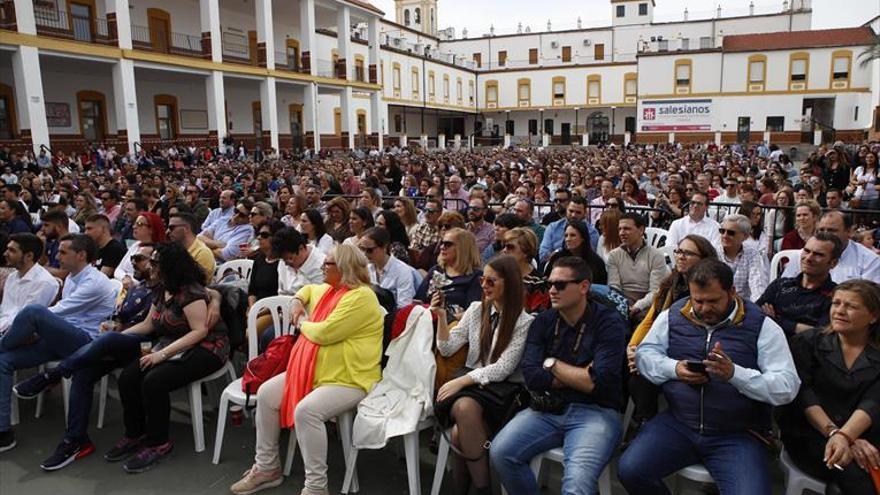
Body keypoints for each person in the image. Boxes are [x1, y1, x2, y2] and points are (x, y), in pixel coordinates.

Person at [620, 259, 801, 495]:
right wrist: (675, 369)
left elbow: (786, 386)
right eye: (698, 301)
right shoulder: (674, 315)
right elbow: (645, 356)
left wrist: (735, 375)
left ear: (732, 292)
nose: (705, 308)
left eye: (713, 301)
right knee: (630, 470)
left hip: (737, 433)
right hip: (679, 423)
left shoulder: (762, 326)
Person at [230, 245, 383, 495]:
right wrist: (298, 302)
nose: (322, 266)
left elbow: (324, 333)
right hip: (316, 371)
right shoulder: (331, 289)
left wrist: (301, 322)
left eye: (328, 264)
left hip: (350, 378)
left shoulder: (362, 297)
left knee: (307, 411)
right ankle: (267, 467)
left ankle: (316, 488)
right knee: (268, 394)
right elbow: (308, 289)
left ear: (344, 269)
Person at [12, 243, 176, 469]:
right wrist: (113, 332)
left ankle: (55, 374)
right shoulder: (142, 288)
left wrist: (111, 339)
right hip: (118, 343)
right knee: (83, 372)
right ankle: (75, 440)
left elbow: (157, 324)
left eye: (144, 259)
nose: (138, 263)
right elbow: (125, 319)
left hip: (147, 348)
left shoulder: (170, 289)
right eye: (136, 258)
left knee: (44, 318)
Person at [491, 256, 627, 495]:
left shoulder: (608, 322)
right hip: (547, 409)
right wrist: (581, 376)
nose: (552, 290)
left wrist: (551, 363)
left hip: (596, 412)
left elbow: (600, 383)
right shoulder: (543, 321)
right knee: (500, 453)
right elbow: (532, 376)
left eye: (560, 285)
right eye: (549, 284)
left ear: (583, 287)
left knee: (576, 485)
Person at [103, 242, 228, 473]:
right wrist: (115, 336)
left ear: (169, 266)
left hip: (206, 347)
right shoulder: (162, 288)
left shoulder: (190, 292)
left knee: (154, 381)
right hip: (173, 344)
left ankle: (158, 442)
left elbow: (199, 331)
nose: (151, 266)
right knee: (129, 377)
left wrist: (161, 355)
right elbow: (148, 323)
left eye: (155, 262)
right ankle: (135, 432)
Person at [0, 234, 117, 452]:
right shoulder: (73, 276)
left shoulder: (95, 282)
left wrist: (36, 325)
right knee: (3, 360)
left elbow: (59, 311)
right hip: (61, 339)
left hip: (85, 342)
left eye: (63, 252)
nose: (56, 256)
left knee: (33, 312)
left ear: (81, 255)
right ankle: (3, 432)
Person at [432, 255, 534, 495]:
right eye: (482, 280)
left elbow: (503, 368)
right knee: (464, 415)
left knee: (460, 427)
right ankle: (482, 489)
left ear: (509, 283)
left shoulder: (524, 321)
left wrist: (461, 381)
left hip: (502, 396)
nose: (485, 286)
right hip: (473, 392)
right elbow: (447, 348)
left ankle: (478, 490)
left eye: (491, 281)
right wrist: (442, 317)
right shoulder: (476, 310)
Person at [779, 279, 880, 495]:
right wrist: (838, 435)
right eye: (836, 303)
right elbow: (804, 396)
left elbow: (874, 401)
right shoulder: (808, 343)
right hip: (811, 434)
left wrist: (847, 436)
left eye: (851, 306)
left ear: (873, 316)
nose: (840, 311)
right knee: (851, 468)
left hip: (865, 434)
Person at [626, 235, 718, 429]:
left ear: (704, 259)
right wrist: (633, 347)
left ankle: (647, 420)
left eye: (688, 253)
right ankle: (631, 416)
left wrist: (646, 355)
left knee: (641, 373)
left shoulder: (707, 291)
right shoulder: (671, 283)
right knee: (625, 360)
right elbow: (650, 319)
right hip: (658, 341)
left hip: (683, 347)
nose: (680, 257)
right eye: (679, 251)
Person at [757, 233, 841, 337]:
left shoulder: (836, 296)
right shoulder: (780, 285)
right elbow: (755, 314)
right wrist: (798, 327)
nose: (808, 258)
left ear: (833, 263)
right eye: (806, 251)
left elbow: (822, 334)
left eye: (818, 254)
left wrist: (776, 321)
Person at [781, 211, 880, 283]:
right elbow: (784, 286)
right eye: (821, 230)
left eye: (831, 230)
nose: (825, 235)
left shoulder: (870, 261)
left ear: (849, 232)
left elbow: (870, 299)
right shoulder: (804, 255)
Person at [606, 213, 669, 320]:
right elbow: (614, 287)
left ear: (641, 230)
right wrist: (623, 306)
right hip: (622, 302)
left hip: (647, 304)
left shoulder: (656, 255)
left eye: (626, 229)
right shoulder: (614, 255)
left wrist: (637, 306)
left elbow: (655, 291)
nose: (621, 233)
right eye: (620, 229)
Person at [415, 228, 483, 320]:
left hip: (454, 326)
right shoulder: (435, 270)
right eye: (441, 243)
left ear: (462, 248)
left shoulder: (475, 277)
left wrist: (442, 317)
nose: (442, 247)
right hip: (426, 321)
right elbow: (419, 300)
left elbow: (473, 312)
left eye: (448, 244)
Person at [0, 233, 58, 335]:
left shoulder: (44, 282)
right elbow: (5, 311)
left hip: (20, 337)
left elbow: (25, 321)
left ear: (29, 256)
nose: (5, 254)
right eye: (7, 249)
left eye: (12, 250)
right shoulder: (12, 277)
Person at [717, 214, 769, 303]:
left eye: (731, 233)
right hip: (716, 301)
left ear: (745, 236)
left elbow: (757, 284)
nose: (725, 235)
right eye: (722, 231)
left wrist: (757, 305)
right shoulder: (713, 252)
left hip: (743, 304)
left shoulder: (752, 254)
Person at [359, 227, 415, 309]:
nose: (365, 254)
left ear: (384, 247)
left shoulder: (402, 271)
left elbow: (404, 307)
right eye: (362, 249)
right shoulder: (365, 267)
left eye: (369, 250)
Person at [543, 221, 607, 285]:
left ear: (583, 238)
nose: (568, 239)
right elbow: (547, 281)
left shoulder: (596, 262)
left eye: (572, 235)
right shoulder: (557, 258)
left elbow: (602, 287)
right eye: (566, 235)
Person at [501, 227, 547, 313]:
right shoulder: (498, 276)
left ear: (526, 251)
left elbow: (537, 316)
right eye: (504, 246)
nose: (504, 250)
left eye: (510, 247)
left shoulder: (538, 283)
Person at [539, 196, 599, 263]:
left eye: (578, 212)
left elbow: (589, 256)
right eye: (571, 211)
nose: (573, 215)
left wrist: (557, 253)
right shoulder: (553, 227)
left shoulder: (592, 232)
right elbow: (543, 255)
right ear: (566, 209)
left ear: (585, 213)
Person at [114, 212, 166, 288]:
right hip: (122, 283)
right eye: (135, 223)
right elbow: (118, 269)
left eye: (139, 224)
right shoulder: (135, 245)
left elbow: (151, 279)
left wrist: (132, 282)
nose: (134, 227)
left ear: (151, 229)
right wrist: (125, 277)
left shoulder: (158, 252)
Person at [274, 226, 325, 298]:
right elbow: (282, 292)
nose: (286, 263)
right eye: (283, 259)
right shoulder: (283, 262)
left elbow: (319, 297)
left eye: (290, 258)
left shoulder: (321, 264)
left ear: (301, 248)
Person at [166, 212, 215, 284]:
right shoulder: (174, 250)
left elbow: (196, 285)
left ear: (186, 228)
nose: (167, 231)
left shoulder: (202, 253)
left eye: (171, 228)